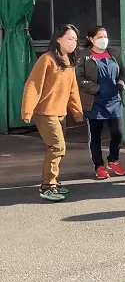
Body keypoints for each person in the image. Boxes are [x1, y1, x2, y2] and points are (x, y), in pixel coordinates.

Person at [21, 24, 84, 202]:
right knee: (57, 147)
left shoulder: (69, 62)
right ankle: (47, 186)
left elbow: (73, 90)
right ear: (58, 39)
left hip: (60, 114)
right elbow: (33, 85)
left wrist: (77, 112)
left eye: (75, 39)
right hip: (45, 113)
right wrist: (27, 110)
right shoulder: (47, 59)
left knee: (55, 149)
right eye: (69, 39)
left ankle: (53, 182)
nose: (73, 42)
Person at [76, 25, 125, 180]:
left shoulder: (113, 53)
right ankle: (99, 165)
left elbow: (123, 72)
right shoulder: (84, 56)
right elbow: (79, 78)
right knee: (96, 136)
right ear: (91, 39)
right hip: (95, 102)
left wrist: (121, 83)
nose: (103, 40)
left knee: (118, 133)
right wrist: (97, 88)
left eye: (105, 37)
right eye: (99, 37)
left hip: (114, 100)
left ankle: (113, 160)